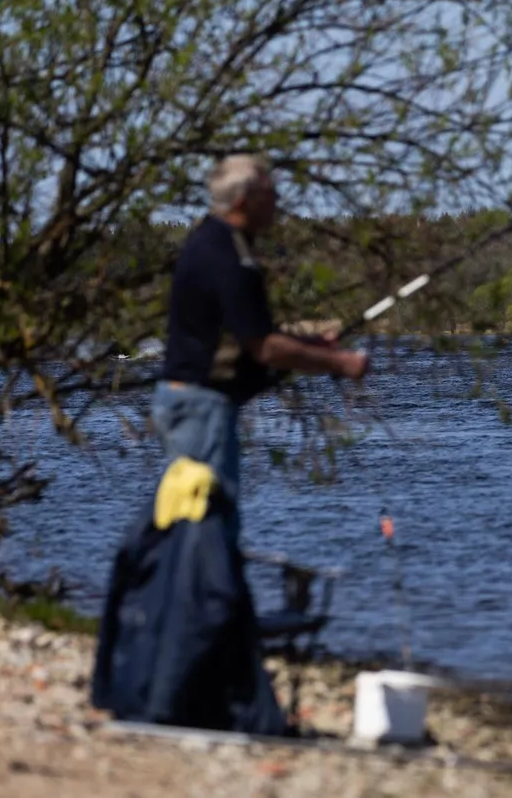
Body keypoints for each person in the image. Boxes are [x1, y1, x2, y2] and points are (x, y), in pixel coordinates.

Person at [91, 154, 371, 737]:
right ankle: (188, 687)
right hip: (201, 414)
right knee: (203, 545)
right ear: (243, 200)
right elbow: (263, 349)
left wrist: (310, 344)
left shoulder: (211, 244)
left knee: (196, 541)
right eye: (270, 192)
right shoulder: (230, 257)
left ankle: (192, 681)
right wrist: (339, 362)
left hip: (190, 406)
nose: (278, 202)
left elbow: (247, 339)